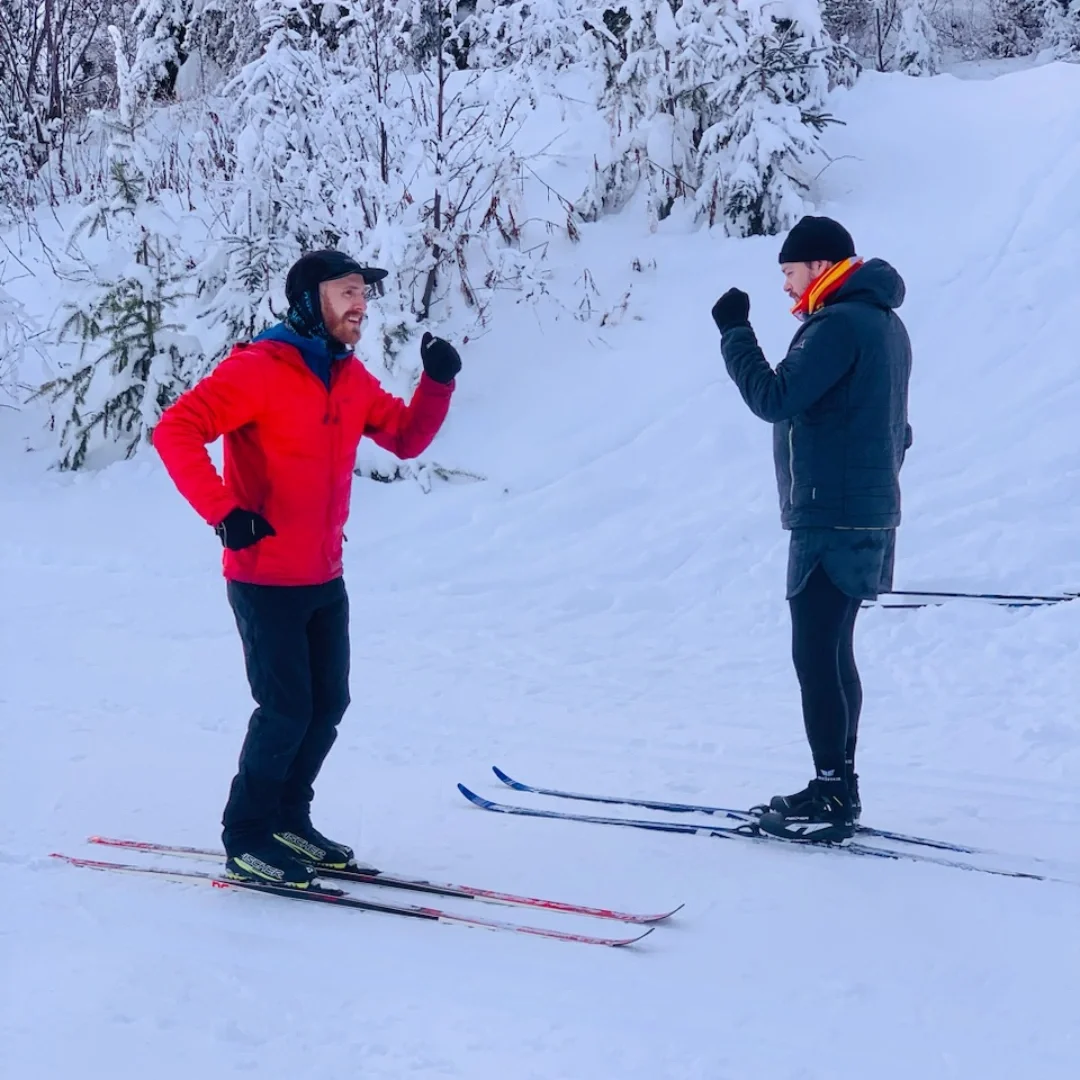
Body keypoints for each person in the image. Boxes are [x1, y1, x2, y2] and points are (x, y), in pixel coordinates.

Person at [152, 250, 461, 887]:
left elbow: (404, 437)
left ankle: (290, 818)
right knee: (285, 709)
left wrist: (436, 384)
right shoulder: (258, 369)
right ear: (309, 301)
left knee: (327, 705)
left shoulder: (348, 377)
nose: (361, 305)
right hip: (263, 576)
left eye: (364, 293)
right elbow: (175, 429)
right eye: (347, 291)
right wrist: (222, 510)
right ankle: (246, 836)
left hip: (324, 575)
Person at [710, 215, 912, 843]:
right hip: (864, 510)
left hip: (831, 515)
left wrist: (735, 332)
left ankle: (832, 792)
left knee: (816, 654)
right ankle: (837, 784)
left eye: (790, 271)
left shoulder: (838, 324)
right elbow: (894, 427)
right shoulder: (883, 322)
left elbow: (773, 397)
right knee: (833, 650)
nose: (786, 285)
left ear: (821, 266)